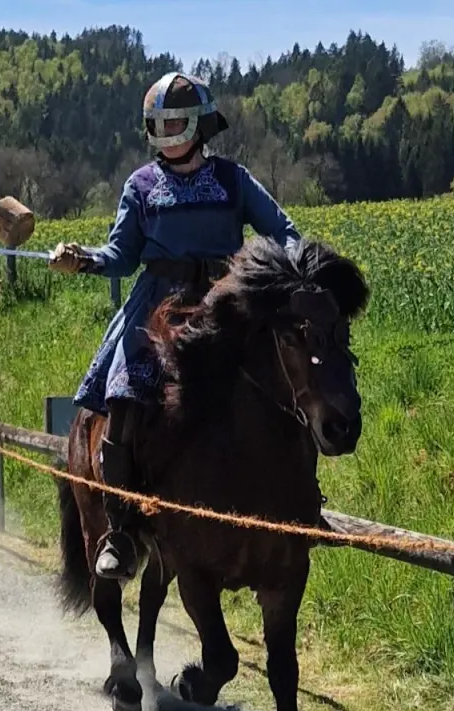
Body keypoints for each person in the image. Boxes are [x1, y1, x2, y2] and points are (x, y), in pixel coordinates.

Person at [48, 72, 301, 582]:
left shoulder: (233, 179)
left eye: (175, 122)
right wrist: (86, 259)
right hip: (156, 305)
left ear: (199, 124)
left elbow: (285, 231)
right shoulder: (139, 186)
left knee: (282, 384)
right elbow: (121, 255)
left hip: (223, 305)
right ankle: (119, 529)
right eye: (158, 124)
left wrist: (289, 263)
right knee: (123, 396)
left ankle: (294, 501)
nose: (168, 133)